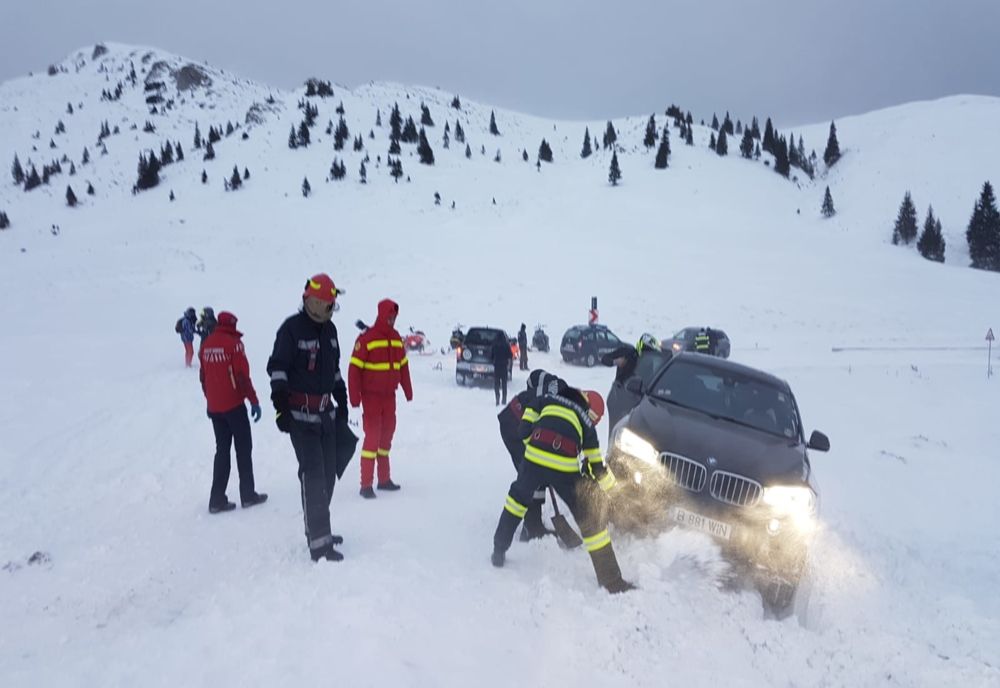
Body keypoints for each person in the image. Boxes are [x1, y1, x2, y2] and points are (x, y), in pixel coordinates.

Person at [491, 386, 634, 593]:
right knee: (590, 521)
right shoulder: (585, 422)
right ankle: (611, 580)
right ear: (587, 408)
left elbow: (524, 428)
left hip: (532, 460)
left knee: (516, 502)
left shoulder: (546, 400)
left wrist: (533, 446)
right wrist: (614, 491)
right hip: (565, 469)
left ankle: (498, 551)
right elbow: (596, 466)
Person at [267, 273, 349, 562]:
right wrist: (280, 406)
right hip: (301, 419)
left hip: (326, 415)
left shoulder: (330, 331)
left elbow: (334, 369)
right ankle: (319, 543)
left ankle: (319, 527)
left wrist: (342, 395)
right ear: (315, 303)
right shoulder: (290, 330)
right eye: (329, 304)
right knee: (313, 475)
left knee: (328, 475)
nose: (332, 310)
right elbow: (278, 369)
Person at [199, 311, 267, 513]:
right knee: (243, 449)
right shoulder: (234, 345)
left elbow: (203, 377)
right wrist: (253, 401)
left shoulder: (206, 344)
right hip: (234, 406)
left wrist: (211, 398)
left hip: (215, 408)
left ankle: (216, 499)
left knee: (222, 450)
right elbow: (242, 377)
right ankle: (248, 494)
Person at [348, 299, 413, 499]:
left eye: (394, 316)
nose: (392, 319)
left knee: (386, 437)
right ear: (382, 314)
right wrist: (354, 397)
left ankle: (384, 480)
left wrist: (407, 390)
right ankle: (365, 484)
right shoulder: (367, 338)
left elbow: (403, 366)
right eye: (389, 316)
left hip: (389, 397)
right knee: (372, 438)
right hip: (371, 397)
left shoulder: (395, 338)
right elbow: (354, 369)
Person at [497, 369, 566, 540]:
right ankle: (531, 527)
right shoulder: (561, 404)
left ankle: (532, 523)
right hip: (514, 424)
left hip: (517, 421)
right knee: (532, 475)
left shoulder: (560, 391)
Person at [601, 333, 668, 440]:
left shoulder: (648, 363)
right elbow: (604, 359)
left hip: (637, 398)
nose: (647, 355)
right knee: (616, 429)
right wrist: (616, 361)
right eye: (646, 352)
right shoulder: (627, 352)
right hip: (618, 395)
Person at [492, 331, 513, 406]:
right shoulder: (506, 345)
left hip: (497, 366)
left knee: (496, 384)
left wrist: (493, 361)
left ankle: (497, 398)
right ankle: (504, 399)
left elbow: (491, 355)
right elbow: (510, 355)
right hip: (504, 367)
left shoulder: (494, 345)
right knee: (504, 384)